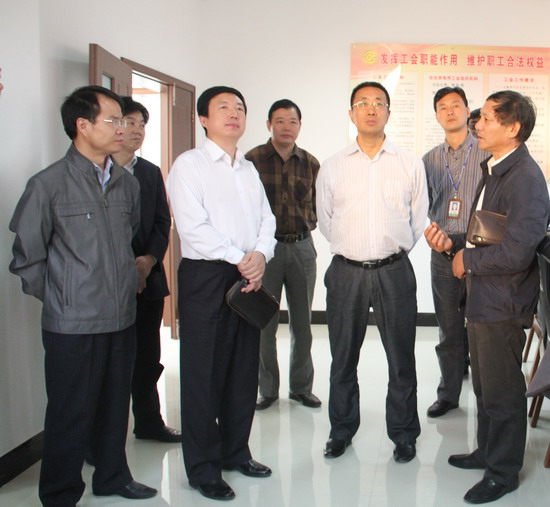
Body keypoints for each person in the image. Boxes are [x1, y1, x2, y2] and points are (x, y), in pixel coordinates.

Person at [9, 85, 157, 506]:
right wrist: (64, 298)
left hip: (121, 315)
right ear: (83, 125)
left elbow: (127, 242)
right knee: (69, 411)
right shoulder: (48, 184)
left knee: (115, 405)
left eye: (124, 120)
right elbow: (27, 258)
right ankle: (60, 492)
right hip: (72, 323)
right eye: (112, 120)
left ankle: (112, 477)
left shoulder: (127, 185)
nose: (122, 128)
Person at [425, 90, 550, 504]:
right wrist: (453, 244)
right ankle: (486, 451)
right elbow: (487, 232)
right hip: (483, 297)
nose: (476, 124)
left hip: (503, 302)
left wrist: (468, 261)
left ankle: (503, 472)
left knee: (502, 392)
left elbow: (518, 251)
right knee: (483, 387)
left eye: (487, 119)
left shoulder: (526, 179)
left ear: (513, 128)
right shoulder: (495, 168)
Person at [166, 86, 277, 501]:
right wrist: (241, 258)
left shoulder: (247, 168)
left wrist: (260, 255)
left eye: (240, 108)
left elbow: (267, 219)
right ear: (204, 119)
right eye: (224, 107)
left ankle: (236, 452)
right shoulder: (189, 165)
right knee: (203, 375)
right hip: (207, 277)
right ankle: (203, 468)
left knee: (242, 369)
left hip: (247, 275)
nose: (234, 114)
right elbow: (192, 227)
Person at [316, 81, 428, 463]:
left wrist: (390, 251)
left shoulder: (409, 163)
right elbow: (326, 221)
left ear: (388, 113)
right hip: (345, 272)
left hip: (393, 270)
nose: (371, 109)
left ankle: (404, 434)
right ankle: (341, 430)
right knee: (342, 357)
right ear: (351, 114)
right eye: (362, 103)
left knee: (401, 358)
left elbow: (417, 221)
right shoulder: (333, 166)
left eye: (379, 103)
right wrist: (354, 249)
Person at [112, 97, 181, 443]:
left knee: (148, 357)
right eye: (129, 122)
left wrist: (148, 260)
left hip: (148, 280)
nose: (137, 130)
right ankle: (103, 435)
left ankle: (149, 422)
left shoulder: (150, 172)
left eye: (142, 124)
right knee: (111, 359)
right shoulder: (97, 170)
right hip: (109, 283)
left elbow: (161, 221)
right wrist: (126, 266)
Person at [246, 99, 321, 411]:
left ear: (300, 126)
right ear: (269, 125)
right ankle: (267, 389)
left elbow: (319, 206)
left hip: (302, 247)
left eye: (292, 121)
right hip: (266, 250)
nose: (286, 127)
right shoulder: (251, 161)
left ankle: (301, 388)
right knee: (264, 324)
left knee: (303, 324)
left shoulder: (311, 163)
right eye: (280, 121)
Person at [422, 87, 488, 418]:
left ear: (466, 110)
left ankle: (485, 396)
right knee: (448, 327)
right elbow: (422, 204)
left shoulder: (486, 152)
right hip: (442, 249)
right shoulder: (429, 160)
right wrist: (433, 234)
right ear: (436, 115)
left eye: (456, 105)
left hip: (480, 248)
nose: (450, 111)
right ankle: (448, 394)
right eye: (443, 107)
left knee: (481, 326)